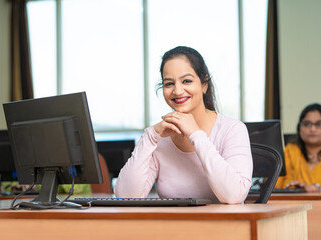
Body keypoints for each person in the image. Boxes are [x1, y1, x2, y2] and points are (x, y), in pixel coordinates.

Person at [114, 46, 253, 204]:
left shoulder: (232, 129)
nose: (177, 91)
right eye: (169, 84)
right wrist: (150, 136)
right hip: (171, 227)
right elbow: (126, 196)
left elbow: (234, 196)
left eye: (186, 81)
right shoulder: (159, 138)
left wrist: (196, 135)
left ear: (204, 84)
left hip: (225, 227)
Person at [275, 103, 321, 192]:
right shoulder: (290, 151)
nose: (312, 129)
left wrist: (316, 188)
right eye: (307, 124)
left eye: (318, 124)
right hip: (294, 203)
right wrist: (294, 188)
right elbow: (275, 186)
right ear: (299, 127)